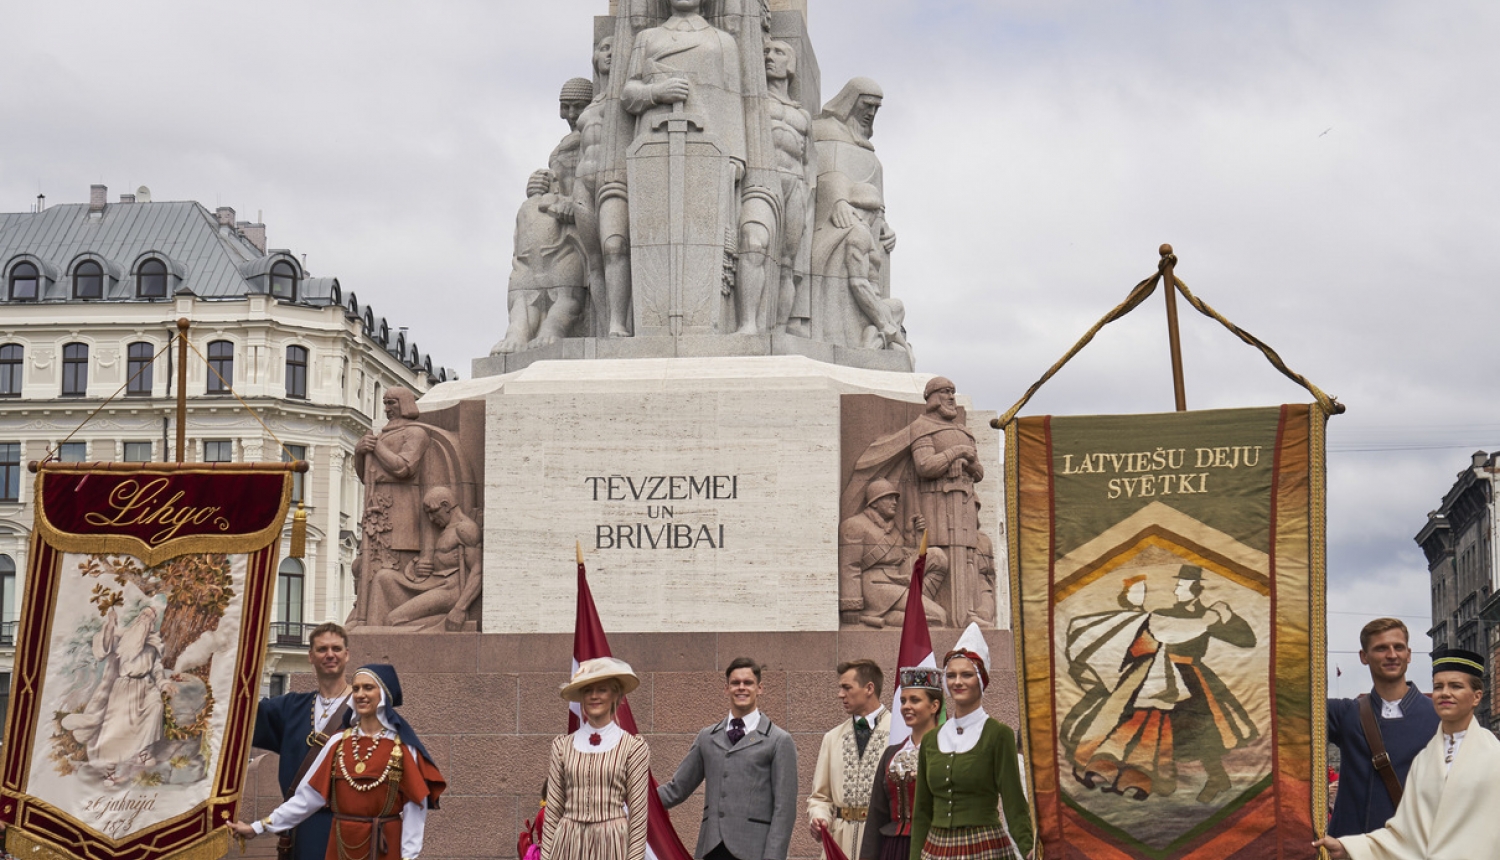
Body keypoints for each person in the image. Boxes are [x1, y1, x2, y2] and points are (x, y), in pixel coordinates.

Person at [1068, 565, 1257, 804]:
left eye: (1181, 585)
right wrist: (1212, 617)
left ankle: (1216, 778)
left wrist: (1229, 616)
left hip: (1192, 677)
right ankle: (1157, 780)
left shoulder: (1209, 615)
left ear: (1196, 590)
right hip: (1160, 676)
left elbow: (1246, 640)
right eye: (1177, 585)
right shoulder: (1167, 613)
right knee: (1153, 728)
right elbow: (1167, 635)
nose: (1176, 590)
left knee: (1205, 731)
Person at [231, 664, 447, 860]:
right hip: (341, 846)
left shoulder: (403, 747)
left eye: (368, 688)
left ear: (383, 695)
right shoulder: (337, 742)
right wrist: (258, 827)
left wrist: (409, 856)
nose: (360, 694)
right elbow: (307, 798)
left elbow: (414, 809)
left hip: (386, 848)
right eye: (356, 688)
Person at [1313, 647, 1499, 860]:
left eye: (1455, 686)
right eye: (1438, 686)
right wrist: (1348, 847)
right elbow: (1406, 834)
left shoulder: (1494, 757)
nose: (1445, 693)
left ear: (1476, 697)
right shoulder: (1424, 760)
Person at [910, 624, 1033, 860]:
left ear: (981, 680)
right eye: (951, 675)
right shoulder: (930, 740)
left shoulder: (999, 734)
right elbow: (922, 811)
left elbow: (1014, 803)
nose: (958, 682)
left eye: (966, 674)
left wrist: (1028, 849)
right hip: (936, 849)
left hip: (984, 847)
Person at [493, 77, 596, 354]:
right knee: (528, 210)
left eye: (578, 107)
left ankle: (553, 327)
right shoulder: (566, 143)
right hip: (554, 224)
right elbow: (560, 181)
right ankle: (518, 330)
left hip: (582, 222)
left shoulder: (598, 137)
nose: (572, 115)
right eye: (566, 107)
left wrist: (574, 203)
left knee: (569, 286)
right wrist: (540, 184)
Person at [658, 657, 798, 860]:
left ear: (760, 688)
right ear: (726, 688)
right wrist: (630, 801)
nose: (741, 688)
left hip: (755, 852)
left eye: (748, 683)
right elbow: (676, 789)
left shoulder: (779, 740)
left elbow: (784, 810)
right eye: (735, 683)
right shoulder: (707, 737)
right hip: (712, 849)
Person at [1325, 618, 1439, 838]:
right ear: (1363, 657)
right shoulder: (1346, 714)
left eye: (1398, 647)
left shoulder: (1439, 716)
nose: (1392, 655)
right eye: (1381, 648)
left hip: (1412, 847)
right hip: (1352, 848)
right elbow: (1287, 705)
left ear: (1409, 654)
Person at [251, 622, 354, 860]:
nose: (330, 654)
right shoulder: (291, 707)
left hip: (350, 828)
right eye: (322, 649)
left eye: (336, 649)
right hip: (302, 829)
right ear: (311, 656)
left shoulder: (364, 708)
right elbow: (242, 714)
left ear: (347, 655)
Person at [542, 657, 650, 860]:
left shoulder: (633, 748)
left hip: (613, 844)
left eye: (602, 690)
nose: (594, 696)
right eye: (587, 690)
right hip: (568, 843)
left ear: (616, 694)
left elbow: (638, 814)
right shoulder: (562, 746)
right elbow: (553, 809)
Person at [61, 603, 177, 781]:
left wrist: (163, 684)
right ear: (138, 618)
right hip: (124, 688)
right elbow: (103, 648)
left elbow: (157, 669)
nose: (145, 620)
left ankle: (142, 752)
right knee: (115, 730)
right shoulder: (124, 638)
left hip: (145, 686)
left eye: (150, 618)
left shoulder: (153, 643)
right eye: (143, 616)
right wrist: (110, 624)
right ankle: (110, 771)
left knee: (155, 707)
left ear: (152, 623)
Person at [366, 487, 482, 631]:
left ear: (446, 506)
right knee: (383, 577)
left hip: (450, 589)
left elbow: (478, 571)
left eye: (433, 512)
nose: (432, 519)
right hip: (432, 582)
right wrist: (416, 566)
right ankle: (371, 628)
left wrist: (460, 608)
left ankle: (439, 623)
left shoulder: (465, 529)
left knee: (392, 619)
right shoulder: (449, 528)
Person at [810, 660, 893, 858]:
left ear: (869, 688)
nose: (840, 694)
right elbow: (820, 796)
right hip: (839, 844)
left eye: (847, 688)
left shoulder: (898, 732)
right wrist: (819, 817)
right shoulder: (832, 737)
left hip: (881, 840)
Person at [860, 666, 943, 860]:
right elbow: (876, 814)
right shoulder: (892, 753)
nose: (906, 706)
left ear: (934, 706)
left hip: (935, 846)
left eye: (915, 700)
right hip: (893, 848)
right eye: (903, 700)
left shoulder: (947, 751)